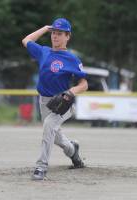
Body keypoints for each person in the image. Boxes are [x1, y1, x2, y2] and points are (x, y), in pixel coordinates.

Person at [22, 18, 88, 180]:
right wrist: (45, 28)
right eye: (53, 33)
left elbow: (84, 84)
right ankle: (73, 150)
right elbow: (26, 40)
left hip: (63, 103)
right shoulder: (44, 51)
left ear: (68, 36)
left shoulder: (72, 59)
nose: (55, 37)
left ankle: (41, 166)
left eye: (59, 34)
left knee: (49, 126)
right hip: (44, 102)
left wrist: (71, 92)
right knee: (55, 135)